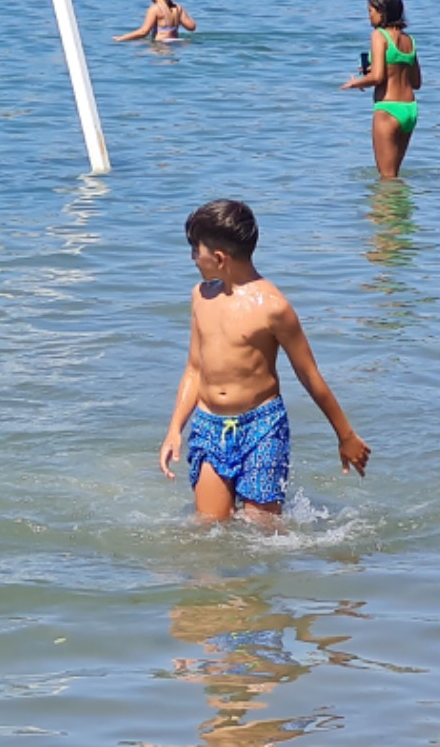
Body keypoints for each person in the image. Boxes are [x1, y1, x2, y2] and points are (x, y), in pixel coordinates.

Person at [157, 200, 371, 524]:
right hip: (209, 425)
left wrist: (345, 434)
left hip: (262, 427)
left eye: (194, 249)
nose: (191, 258)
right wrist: (175, 429)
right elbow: (194, 369)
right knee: (208, 526)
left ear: (219, 258)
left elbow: (309, 375)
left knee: (262, 533)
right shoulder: (201, 296)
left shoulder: (273, 307)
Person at [340, 0, 421, 180]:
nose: (369, 17)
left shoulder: (379, 35)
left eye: (370, 11)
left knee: (386, 179)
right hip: (409, 110)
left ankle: (382, 211)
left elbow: (377, 77)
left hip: (388, 109)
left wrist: (355, 83)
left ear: (382, 12)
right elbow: (416, 82)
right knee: (394, 176)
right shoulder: (409, 40)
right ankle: (401, 210)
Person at [116, 0, 197, 42]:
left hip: (161, 45)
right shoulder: (178, 7)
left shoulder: (155, 9)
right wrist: (175, 19)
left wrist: (121, 38)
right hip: (176, 44)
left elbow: (144, 32)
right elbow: (192, 27)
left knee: (137, 53)